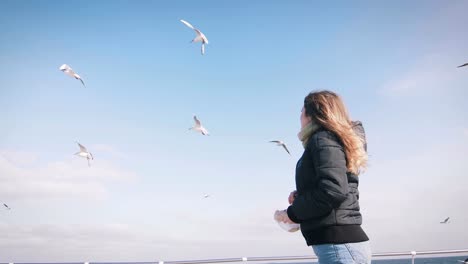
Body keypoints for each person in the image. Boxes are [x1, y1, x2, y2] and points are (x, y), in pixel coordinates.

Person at [275, 90, 371, 264]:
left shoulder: (323, 139)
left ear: (311, 115)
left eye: (301, 111)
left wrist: (293, 213)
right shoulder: (332, 139)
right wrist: (302, 195)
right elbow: (336, 184)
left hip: (339, 245)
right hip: (340, 245)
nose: (299, 117)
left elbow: (333, 191)